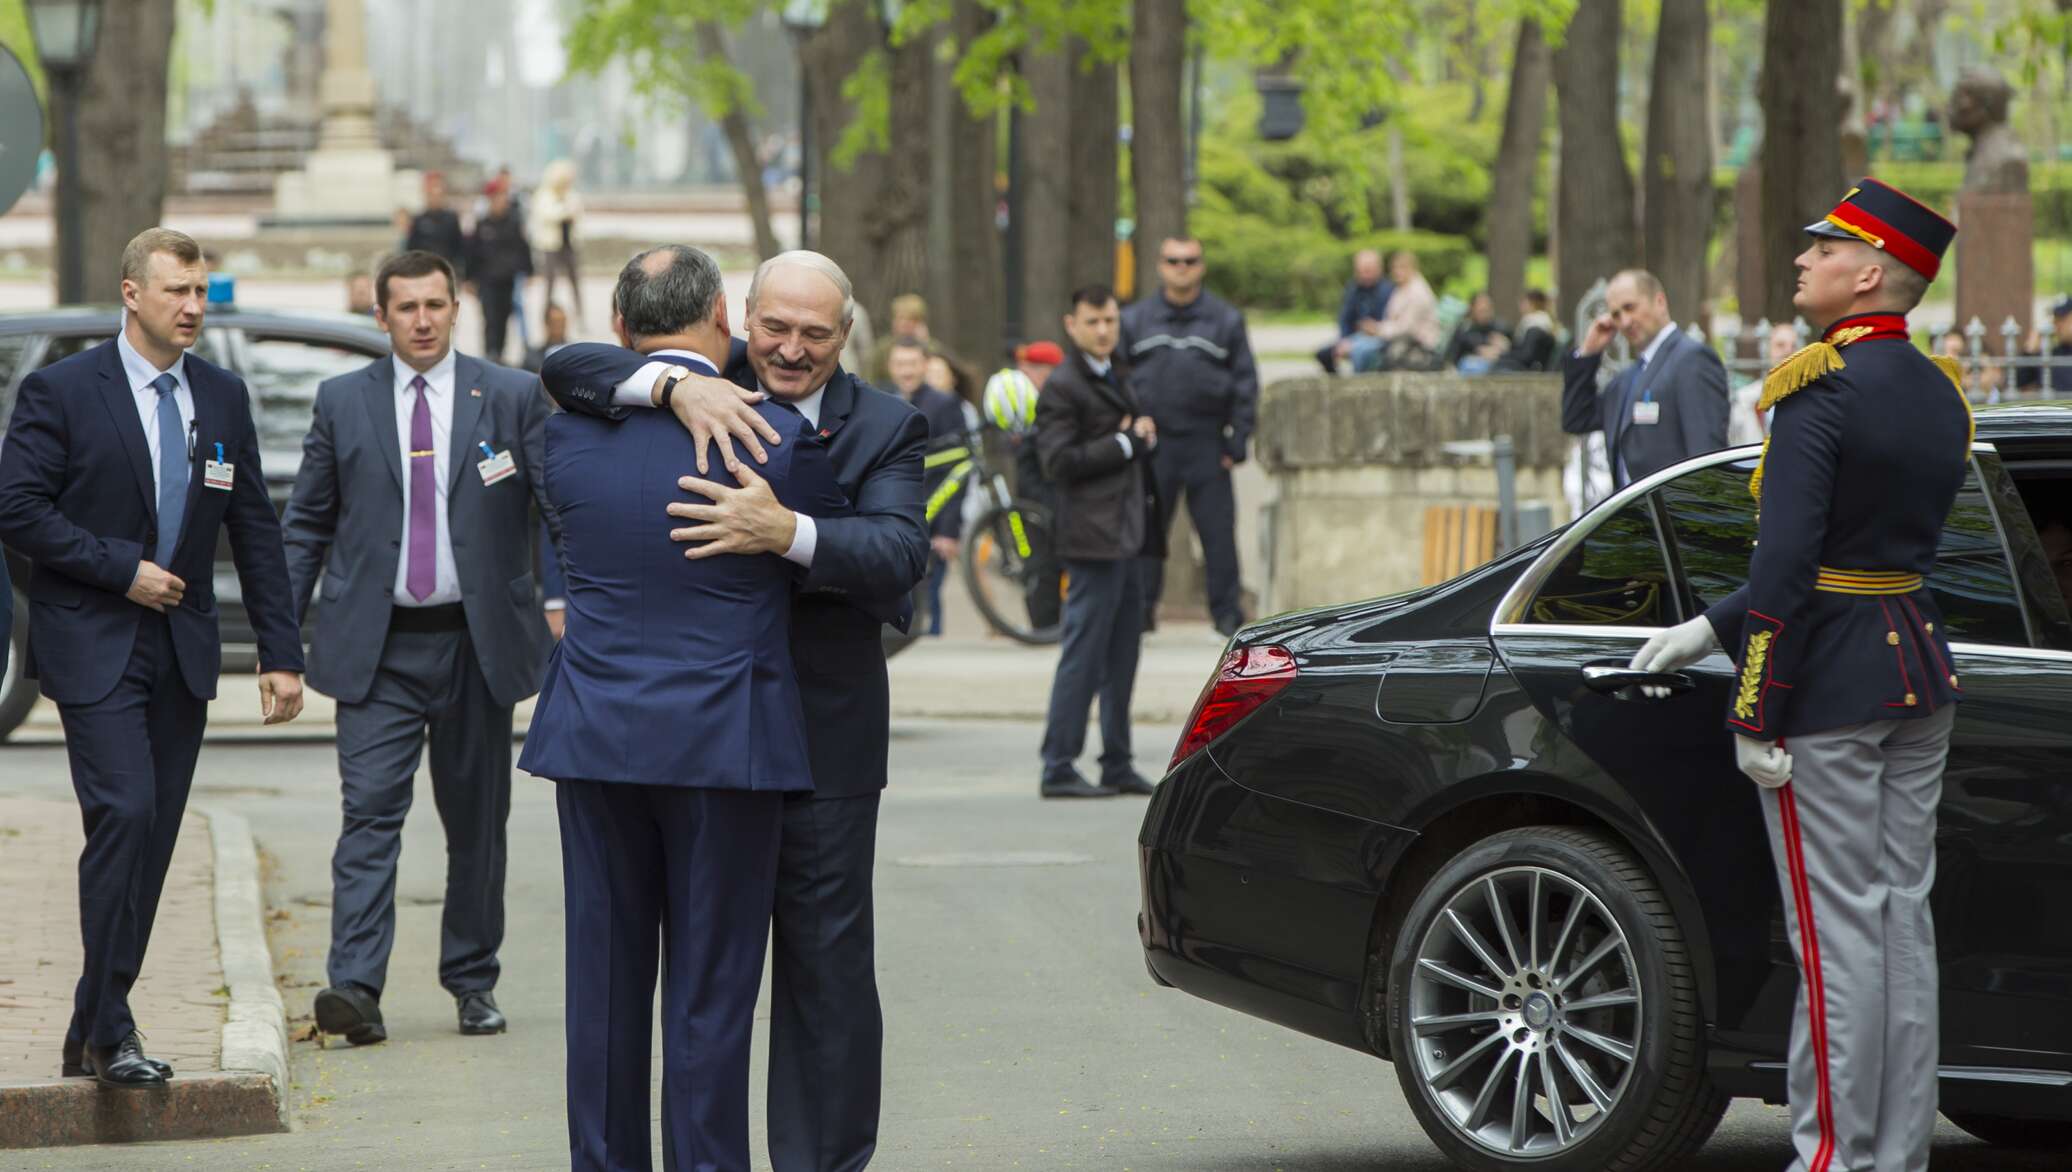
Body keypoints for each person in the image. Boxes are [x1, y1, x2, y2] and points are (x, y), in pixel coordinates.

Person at [537, 249, 927, 1172]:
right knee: (709, 986)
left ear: (847, 335)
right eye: (774, 329)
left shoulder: (887, 424)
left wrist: (785, 532)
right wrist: (675, 387)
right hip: (718, 735)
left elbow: (899, 555)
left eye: (815, 336)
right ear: (737, 317)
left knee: (824, 976)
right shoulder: (706, 392)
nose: (789, 352)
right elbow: (568, 364)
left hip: (822, 740)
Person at [1632, 177, 1965, 1172]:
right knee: (1901, 921)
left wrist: (1751, 700)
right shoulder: (1937, 389)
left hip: (1823, 680)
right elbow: (1877, 548)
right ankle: (1894, 1154)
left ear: (1867, 275)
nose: (1799, 260)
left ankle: (1830, 1157)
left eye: (1821, 249)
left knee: (1829, 935)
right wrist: (1706, 626)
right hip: (1913, 658)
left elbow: (1786, 567)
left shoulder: (1816, 386)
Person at [0, 227, 306, 1088]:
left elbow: (253, 528)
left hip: (183, 650)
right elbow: (15, 508)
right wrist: (118, 569)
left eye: (201, 293)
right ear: (133, 294)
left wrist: (281, 654)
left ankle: (92, 1023)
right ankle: (113, 1028)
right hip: (92, 642)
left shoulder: (221, 396)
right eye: (177, 291)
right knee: (125, 816)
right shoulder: (64, 392)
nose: (192, 308)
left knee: (155, 839)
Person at [280, 249, 562, 1047]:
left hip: (477, 646)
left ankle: (473, 982)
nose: (424, 320)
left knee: (476, 822)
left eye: (436, 304)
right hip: (378, 651)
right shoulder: (342, 402)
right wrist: (279, 640)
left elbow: (553, 507)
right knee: (368, 813)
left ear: (457, 306)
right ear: (382, 317)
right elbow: (305, 525)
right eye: (406, 308)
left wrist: (561, 598)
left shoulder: (508, 396)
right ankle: (356, 988)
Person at [1038, 284, 1164, 799]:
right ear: (1072, 325)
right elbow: (1057, 462)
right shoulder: (1064, 385)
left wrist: (1141, 438)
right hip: (1092, 539)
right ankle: (1059, 764)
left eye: (1110, 320)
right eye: (1093, 321)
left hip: (1129, 534)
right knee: (1084, 654)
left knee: (1122, 655)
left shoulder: (1118, 372)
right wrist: (1125, 442)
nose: (1104, 330)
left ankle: (1117, 759)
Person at [1121, 235, 1256, 636]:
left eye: (1189, 260)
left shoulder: (1226, 319)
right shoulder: (1135, 320)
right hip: (1154, 443)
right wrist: (1129, 432)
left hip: (1206, 442)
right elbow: (1119, 381)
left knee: (1218, 535)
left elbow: (1246, 383)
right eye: (1173, 261)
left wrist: (1237, 440)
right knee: (1146, 533)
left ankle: (1227, 617)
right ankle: (1140, 614)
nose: (1181, 268)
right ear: (1160, 265)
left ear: (1202, 266)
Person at [1560, 268, 1730, 489]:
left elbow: (1706, 460)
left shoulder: (1691, 359)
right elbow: (1576, 417)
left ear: (1659, 302)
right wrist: (1588, 352)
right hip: (1638, 518)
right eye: (1616, 315)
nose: (1625, 322)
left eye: (1630, 307)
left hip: (1676, 518)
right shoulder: (1626, 380)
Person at [885, 337, 966, 636]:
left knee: (929, 594)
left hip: (933, 512)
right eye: (900, 364)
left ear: (924, 365)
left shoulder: (945, 404)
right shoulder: (879, 398)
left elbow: (958, 468)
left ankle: (931, 643)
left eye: (912, 364)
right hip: (890, 516)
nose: (906, 371)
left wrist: (949, 530)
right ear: (890, 367)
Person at [985, 341, 1064, 629]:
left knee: (1052, 563)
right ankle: (1043, 626)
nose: (1023, 373)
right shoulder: (1022, 403)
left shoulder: (1058, 401)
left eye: (1030, 367)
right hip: (1032, 496)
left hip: (1056, 493)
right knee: (1039, 563)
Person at [465, 177, 533, 365]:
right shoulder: (482, 224)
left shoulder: (513, 222)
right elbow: (472, 253)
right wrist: (469, 279)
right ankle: (490, 354)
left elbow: (523, 248)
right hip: (487, 281)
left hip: (508, 279)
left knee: (504, 318)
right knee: (490, 319)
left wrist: (528, 272)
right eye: (497, 197)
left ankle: (499, 355)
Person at [528, 159, 585, 329]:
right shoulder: (544, 195)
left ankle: (580, 316)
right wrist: (565, 211)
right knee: (549, 285)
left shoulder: (571, 194)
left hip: (569, 245)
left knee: (575, 282)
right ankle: (545, 318)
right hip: (550, 246)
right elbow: (547, 214)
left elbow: (577, 212)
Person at [1315, 249, 1392, 374]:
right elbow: (1345, 318)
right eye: (1360, 271)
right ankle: (1337, 385)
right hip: (1353, 337)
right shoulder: (1353, 288)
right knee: (1323, 354)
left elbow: (1384, 322)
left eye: (1368, 270)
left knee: (1359, 352)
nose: (1364, 275)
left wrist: (1366, 331)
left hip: (1377, 338)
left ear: (1378, 269)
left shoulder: (1387, 290)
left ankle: (1358, 386)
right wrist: (1344, 340)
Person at [1730, 321, 1800, 445]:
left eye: (1793, 346)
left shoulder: (1809, 395)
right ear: (1766, 350)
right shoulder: (1745, 398)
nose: (1788, 351)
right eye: (1780, 345)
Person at [1372, 250, 1442, 370]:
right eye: (1394, 268)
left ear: (1413, 268)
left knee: (1366, 351)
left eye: (1402, 267)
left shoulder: (1418, 293)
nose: (1397, 272)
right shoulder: (1401, 288)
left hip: (1419, 347)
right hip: (1399, 340)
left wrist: (1378, 330)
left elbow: (1406, 328)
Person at [403, 171, 467, 277]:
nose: (435, 198)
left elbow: (459, 247)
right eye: (431, 194)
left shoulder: (451, 218)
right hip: (423, 271)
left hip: (446, 270)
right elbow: (411, 249)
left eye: (438, 194)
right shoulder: (419, 220)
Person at [865, 293, 931, 387]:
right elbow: (869, 378)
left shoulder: (930, 346)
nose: (903, 324)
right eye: (900, 318)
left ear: (919, 322)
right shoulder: (883, 348)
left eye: (910, 319)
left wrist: (924, 344)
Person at [1443, 290, 1511, 374]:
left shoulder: (1501, 328)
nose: (1485, 311)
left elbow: (1517, 354)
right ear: (1472, 308)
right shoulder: (1464, 330)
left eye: (1487, 308)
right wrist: (1477, 352)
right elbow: (1450, 357)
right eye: (1481, 309)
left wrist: (1505, 348)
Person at [2013, 297, 2072, 393]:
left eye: (2062, 319)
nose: (2056, 325)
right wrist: (2029, 350)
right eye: (2055, 319)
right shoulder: (2049, 355)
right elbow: (2014, 382)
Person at [1494, 288, 1558, 372]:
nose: (1520, 305)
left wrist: (1499, 355)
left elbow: (1526, 355)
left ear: (1531, 303)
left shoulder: (1534, 322)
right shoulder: (1545, 320)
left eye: (1523, 302)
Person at [522, 302, 571, 375]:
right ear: (546, 324)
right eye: (555, 322)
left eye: (562, 322)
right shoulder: (533, 358)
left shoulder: (575, 353)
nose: (560, 326)